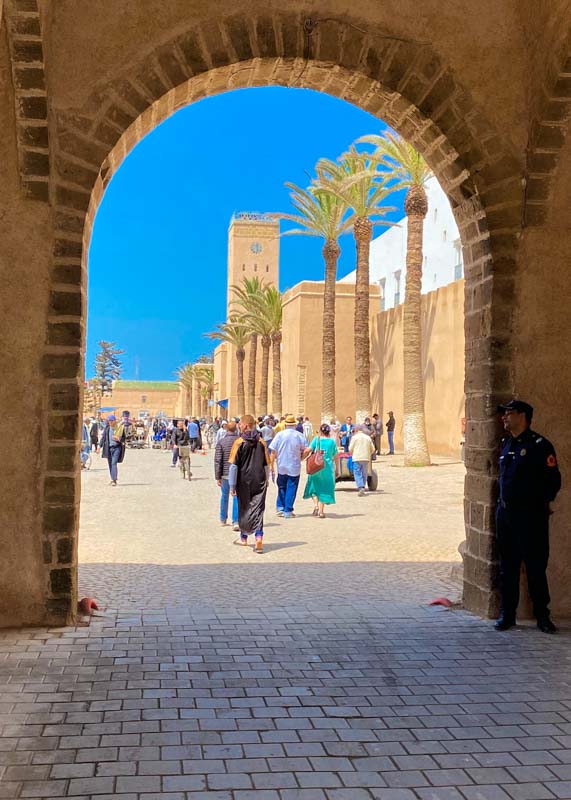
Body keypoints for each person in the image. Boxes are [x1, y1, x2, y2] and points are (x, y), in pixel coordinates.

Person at [494, 400, 561, 633]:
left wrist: (538, 504)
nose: (504, 417)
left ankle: (542, 615)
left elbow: (553, 481)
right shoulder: (506, 444)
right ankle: (508, 614)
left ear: (522, 416)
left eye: (508, 413)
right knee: (508, 567)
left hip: (530, 517)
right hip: (505, 515)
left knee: (535, 567)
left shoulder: (540, 445)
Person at [229, 414, 271, 553]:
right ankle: (259, 537)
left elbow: (234, 466)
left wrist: (232, 485)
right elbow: (266, 464)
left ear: (246, 425)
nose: (239, 426)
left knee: (244, 507)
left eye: (240, 424)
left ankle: (244, 537)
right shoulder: (262, 442)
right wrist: (267, 479)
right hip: (259, 480)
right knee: (258, 509)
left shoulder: (239, 442)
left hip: (243, 481)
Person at [269, 414, 307, 518]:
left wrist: (271, 465)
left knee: (281, 486)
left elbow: (273, 451)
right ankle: (288, 510)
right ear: (294, 424)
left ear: (285, 424)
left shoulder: (280, 435)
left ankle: (280, 507)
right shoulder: (299, 435)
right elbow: (306, 449)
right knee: (291, 487)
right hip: (294, 465)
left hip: (281, 464)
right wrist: (302, 458)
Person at [303, 423, 338, 518]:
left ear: (321, 431)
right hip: (327, 469)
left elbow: (308, 450)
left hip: (316, 468)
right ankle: (321, 512)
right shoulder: (332, 442)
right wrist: (337, 469)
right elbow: (336, 457)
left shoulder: (316, 440)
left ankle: (316, 506)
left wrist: (301, 456)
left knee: (314, 487)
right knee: (324, 488)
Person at [214, 420, 240, 529]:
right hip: (238, 473)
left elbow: (218, 460)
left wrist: (217, 476)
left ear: (226, 429)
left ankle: (223, 519)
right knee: (236, 497)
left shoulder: (221, 442)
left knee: (224, 496)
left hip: (225, 473)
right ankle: (236, 521)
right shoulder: (240, 441)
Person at [99, 414, 126, 486]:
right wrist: (99, 446)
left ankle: (114, 479)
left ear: (115, 421)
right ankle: (112, 478)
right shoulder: (107, 428)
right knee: (110, 464)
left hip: (117, 448)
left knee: (114, 463)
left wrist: (119, 439)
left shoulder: (120, 428)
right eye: (109, 421)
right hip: (108, 448)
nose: (110, 422)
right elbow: (103, 438)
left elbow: (124, 438)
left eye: (111, 421)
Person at [349, 425, 376, 496]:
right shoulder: (368, 437)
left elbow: (350, 449)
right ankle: (362, 487)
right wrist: (368, 454)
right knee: (364, 473)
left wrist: (352, 453)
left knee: (357, 473)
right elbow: (373, 449)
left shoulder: (354, 438)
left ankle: (361, 487)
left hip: (357, 458)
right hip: (366, 458)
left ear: (356, 430)